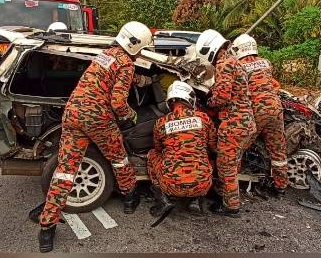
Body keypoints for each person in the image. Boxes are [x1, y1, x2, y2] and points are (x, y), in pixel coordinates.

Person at [34, 21, 153, 252]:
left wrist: (144, 80)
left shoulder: (104, 55)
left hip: (73, 113)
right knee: (119, 158)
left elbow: (109, 77)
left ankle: (46, 230)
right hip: (98, 118)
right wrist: (131, 116)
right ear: (135, 46)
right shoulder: (126, 64)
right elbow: (118, 102)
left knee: (65, 171)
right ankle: (129, 199)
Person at [193, 29, 256, 217]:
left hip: (234, 124)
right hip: (246, 122)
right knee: (233, 163)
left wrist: (207, 101)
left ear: (210, 50)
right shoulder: (235, 62)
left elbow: (222, 96)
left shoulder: (224, 64)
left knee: (226, 166)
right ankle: (224, 196)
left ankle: (231, 206)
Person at [146, 80, 217, 216]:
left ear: (170, 102)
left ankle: (162, 199)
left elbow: (158, 148)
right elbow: (213, 146)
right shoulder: (204, 118)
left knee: (152, 154)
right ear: (190, 99)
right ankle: (196, 199)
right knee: (208, 156)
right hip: (202, 186)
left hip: (171, 185)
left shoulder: (161, 123)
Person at [230, 33, 288, 196]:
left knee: (238, 146)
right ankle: (280, 186)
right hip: (276, 108)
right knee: (278, 149)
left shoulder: (239, 66)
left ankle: (230, 184)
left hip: (256, 110)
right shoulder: (266, 63)